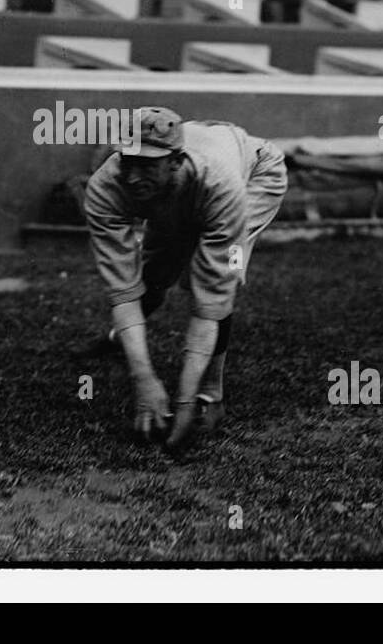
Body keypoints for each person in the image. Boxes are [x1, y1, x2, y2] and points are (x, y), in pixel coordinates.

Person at [77, 106, 287, 457]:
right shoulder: (106, 185)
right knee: (154, 276)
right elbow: (124, 290)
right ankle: (122, 340)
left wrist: (185, 399)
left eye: (146, 164)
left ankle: (210, 394)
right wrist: (142, 379)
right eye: (127, 161)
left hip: (253, 173)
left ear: (175, 160)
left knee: (209, 281)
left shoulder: (221, 185)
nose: (131, 176)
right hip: (179, 186)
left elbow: (212, 300)